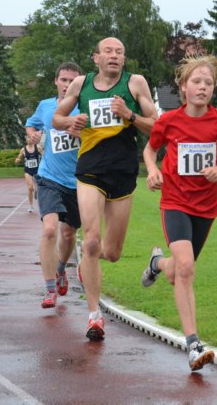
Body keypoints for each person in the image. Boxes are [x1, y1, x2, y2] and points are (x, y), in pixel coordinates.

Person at [140, 54, 217, 371]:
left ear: (213, 88)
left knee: (177, 272)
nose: (203, 87)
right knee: (187, 268)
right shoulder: (169, 121)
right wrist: (152, 170)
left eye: (209, 83)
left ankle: (157, 263)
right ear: (183, 87)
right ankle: (193, 345)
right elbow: (150, 149)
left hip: (207, 206)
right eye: (196, 81)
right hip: (175, 201)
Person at [53, 37, 158, 340]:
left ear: (124, 59)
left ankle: (87, 262)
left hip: (123, 171)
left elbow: (157, 125)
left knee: (111, 253)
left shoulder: (135, 83)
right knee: (91, 241)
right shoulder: (81, 84)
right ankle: (94, 316)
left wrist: (129, 115)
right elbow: (57, 118)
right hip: (90, 169)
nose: (114, 56)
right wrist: (70, 123)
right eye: (108, 52)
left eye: (119, 52)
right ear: (96, 57)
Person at [25, 62, 83, 309]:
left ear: (79, 83)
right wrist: (33, 133)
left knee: (69, 234)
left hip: (79, 181)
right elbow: (31, 124)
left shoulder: (85, 107)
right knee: (49, 230)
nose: (67, 85)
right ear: (56, 81)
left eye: (72, 81)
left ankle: (60, 269)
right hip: (49, 177)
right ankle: (49, 289)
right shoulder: (45, 106)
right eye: (63, 80)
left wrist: (81, 133)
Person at [14, 135, 42, 213]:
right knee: (30, 188)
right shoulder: (23, 149)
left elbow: (44, 156)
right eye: (28, 138)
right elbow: (19, 158)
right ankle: (31, 206)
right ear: (26, 140)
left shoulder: (38, 147)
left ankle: (36, 191)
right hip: (28, 170)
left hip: (37, 170)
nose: (29, 140)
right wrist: (17, 160)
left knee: (40, 188)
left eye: (30, 138)